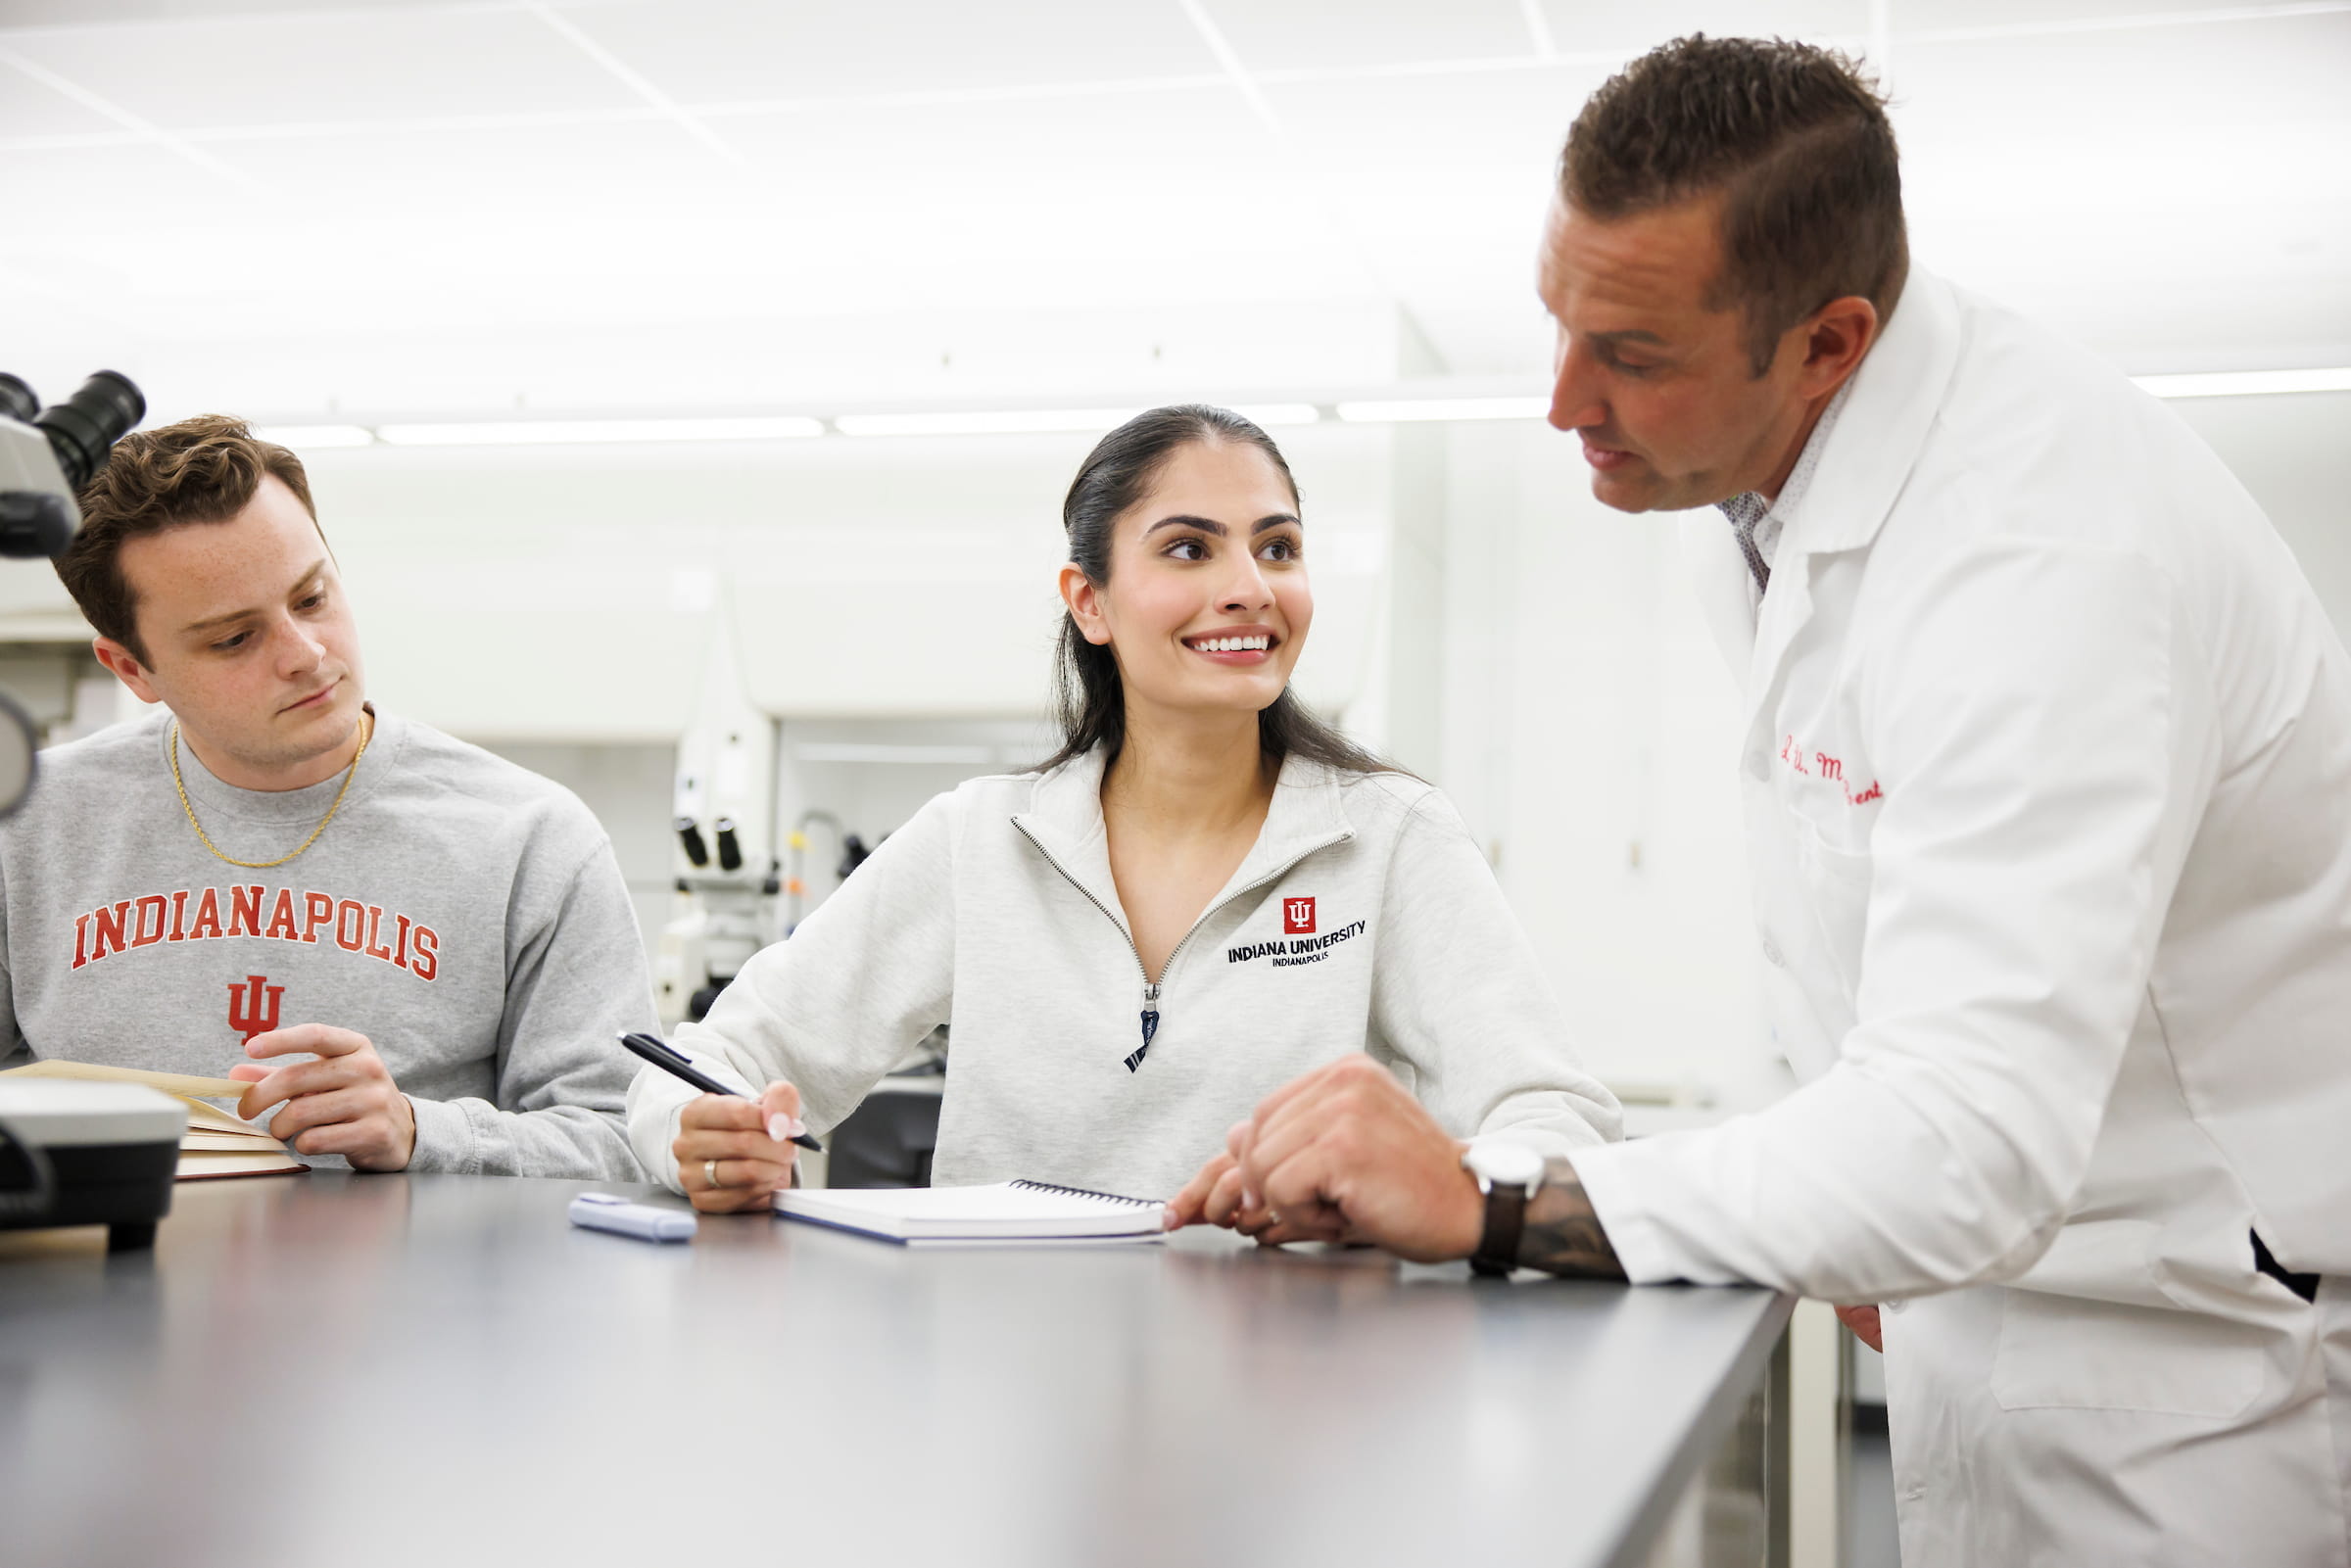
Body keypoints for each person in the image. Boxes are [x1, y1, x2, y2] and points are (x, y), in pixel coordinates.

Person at [1186, 36, 2351, 1568]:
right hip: (1993, 1307)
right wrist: (1842, 1203)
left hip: (2189, 1378)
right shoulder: (1758, 480)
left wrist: (1489, 1198)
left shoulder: (2043, 557)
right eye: (1560, 324)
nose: (1563, 402)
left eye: (1635, 354)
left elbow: (1972, 1144)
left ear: (1828, 341)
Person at [625, 404, 1620, 1211]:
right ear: (1089, 601)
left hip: (1296, 1388)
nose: (1248, 587)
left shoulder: (1389, 840)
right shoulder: (979, 842)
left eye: (1277, 548)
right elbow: (706, 1060)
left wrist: (1434, 1181)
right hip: (1007, 1398)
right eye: (1189, 549)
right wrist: (696, 1135)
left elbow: (1552, 1117)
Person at [0, 414, 654, 1178]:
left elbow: (624, 1141)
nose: (306, 655)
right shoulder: (28, 822)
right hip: (94, 1286)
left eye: (311, 598)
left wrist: (422, 1131)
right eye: (233, 639)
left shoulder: (532, 839)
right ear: (132, 669)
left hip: (408, 1294)